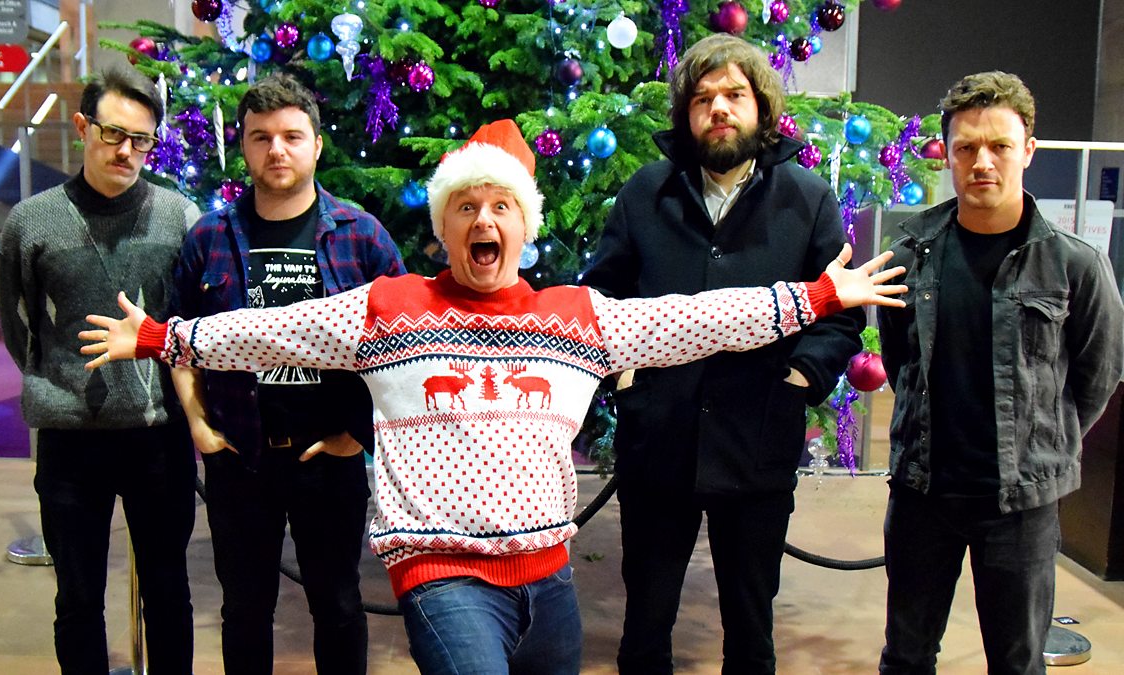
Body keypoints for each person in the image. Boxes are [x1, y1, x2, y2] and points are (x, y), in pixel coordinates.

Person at [80, 119, 906, 675]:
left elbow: (694, 319)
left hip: (549, 580)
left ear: (524, 227)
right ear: (445, 228)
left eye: (501, 206)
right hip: (442, 574)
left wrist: (816, 298)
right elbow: (272, 330)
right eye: (466, 207)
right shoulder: (390, 306)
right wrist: (161, 338)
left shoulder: (576, 316)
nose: (485, 219)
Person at [580, 33, 865, 674]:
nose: (719, 108)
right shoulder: (646, 193)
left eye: (735, 94)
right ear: (687, 112)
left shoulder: (807, 197)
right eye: (703, 97)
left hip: (758, 440)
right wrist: (623, 380)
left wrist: (800, 378)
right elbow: (599, 300)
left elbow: (842, 312)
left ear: (761, 106)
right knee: (645, 624)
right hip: (659, 442)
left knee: (750, 628)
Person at [876, 71, 1124, 674]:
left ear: (1028, 150)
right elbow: (900, 361)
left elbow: (1098, 373)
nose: (982, 162)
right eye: (966, 147)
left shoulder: (1075, 265)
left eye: (999, 146)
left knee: (1016, 662)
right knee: (906, 656)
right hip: (923, 493)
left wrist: (1046, 440)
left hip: (1021, 504)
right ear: (947, 154)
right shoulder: (910, 258)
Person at [168, 73, 405, 675]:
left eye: (292, 136)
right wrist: (198, 425)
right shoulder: (209, 236)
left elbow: (404, 346)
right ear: (244, 147)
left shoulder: (363, 237)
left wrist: (357, 436)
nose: (277, 150)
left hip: (329, 458)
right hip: (238, 456)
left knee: (340, 605)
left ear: (316, 145)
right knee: (244, 610)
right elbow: (179, 340)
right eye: (262, 137)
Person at [0, 66, 201, 674]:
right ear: (83, 127)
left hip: (158, 435)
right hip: (70, 439)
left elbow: (195, 324)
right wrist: (56, 379)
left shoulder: (179, 216)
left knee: (169, 591)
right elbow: (17, 321)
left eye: (142, 140)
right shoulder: (32, 221)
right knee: (78, 597)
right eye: (114, 134)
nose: (126, 151)